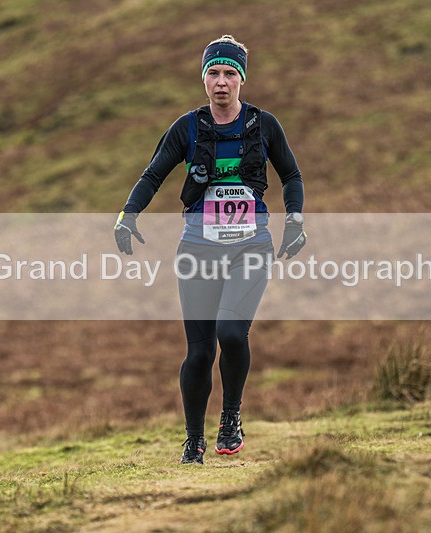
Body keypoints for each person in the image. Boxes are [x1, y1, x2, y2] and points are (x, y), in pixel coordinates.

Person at [114, 35, 306, 464]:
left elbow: (291, 175)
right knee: (199, 351)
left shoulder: (264, 125)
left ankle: (231, 416)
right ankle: (193, 440)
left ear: (241, 79)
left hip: (251, 245)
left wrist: (294, 219)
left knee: (231, 333)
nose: (221, 82)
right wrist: (128, 214)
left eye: (229, 73)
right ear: (204, 79)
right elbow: (153, 174)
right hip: (198, 248)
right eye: (213, 73)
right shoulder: (187, 127)